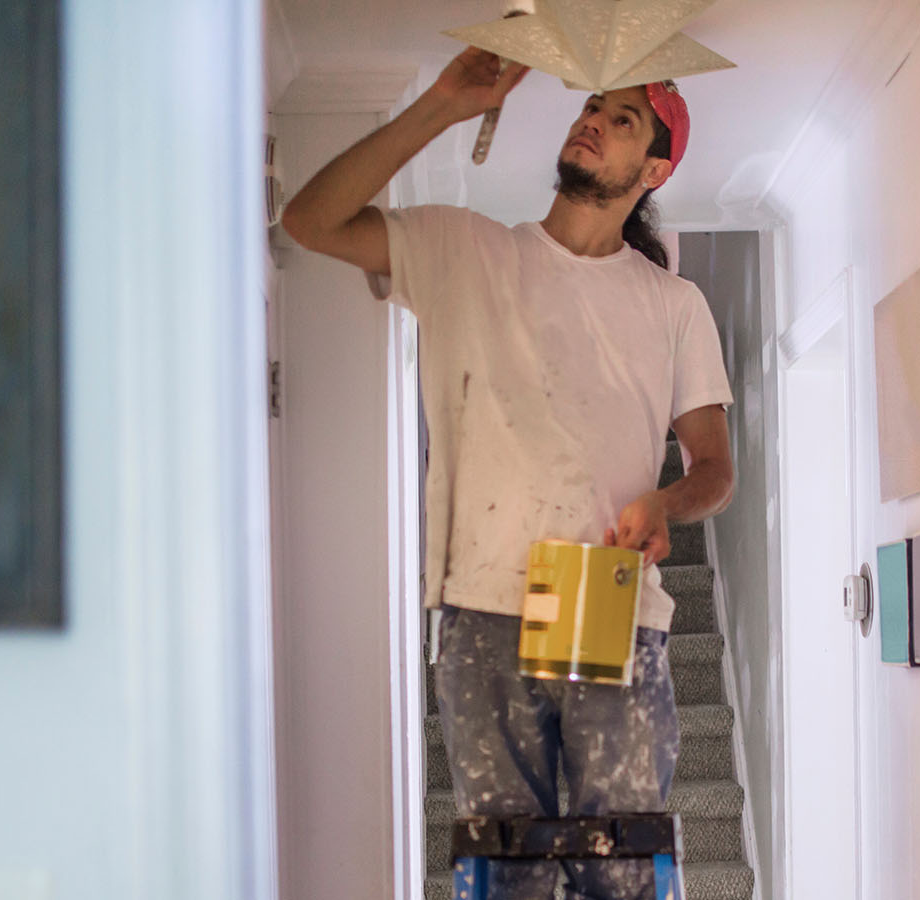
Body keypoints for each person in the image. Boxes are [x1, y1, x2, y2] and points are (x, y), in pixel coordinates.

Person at [281, 47, 736, 900]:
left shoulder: (673, 305)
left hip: (605, 599)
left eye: (622, 118)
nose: (592, 119)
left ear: (656, 166)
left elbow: (715, 468)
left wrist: (666, 500)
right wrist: (443, 105)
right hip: (483, 608)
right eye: (593, 106)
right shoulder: (464, 250)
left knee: (624, 868)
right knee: (507, 874)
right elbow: (309, 221)